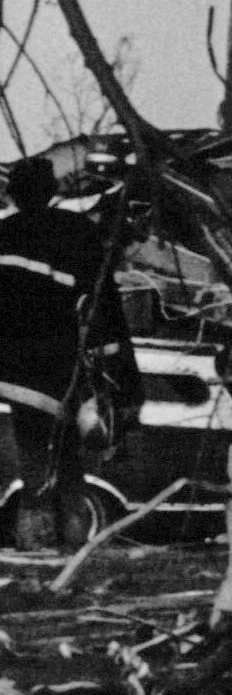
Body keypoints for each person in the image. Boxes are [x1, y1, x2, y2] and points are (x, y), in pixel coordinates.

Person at [0, 156, 126, 545]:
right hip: (63, 371)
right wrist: (116, 371)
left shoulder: (4, 233)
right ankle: (73, 539)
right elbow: (103, 305)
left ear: (13, 194)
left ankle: (36, 540)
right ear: (52, 192)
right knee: (68, 459)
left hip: (16, 372)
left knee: (33, 457)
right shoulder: (76, 231)